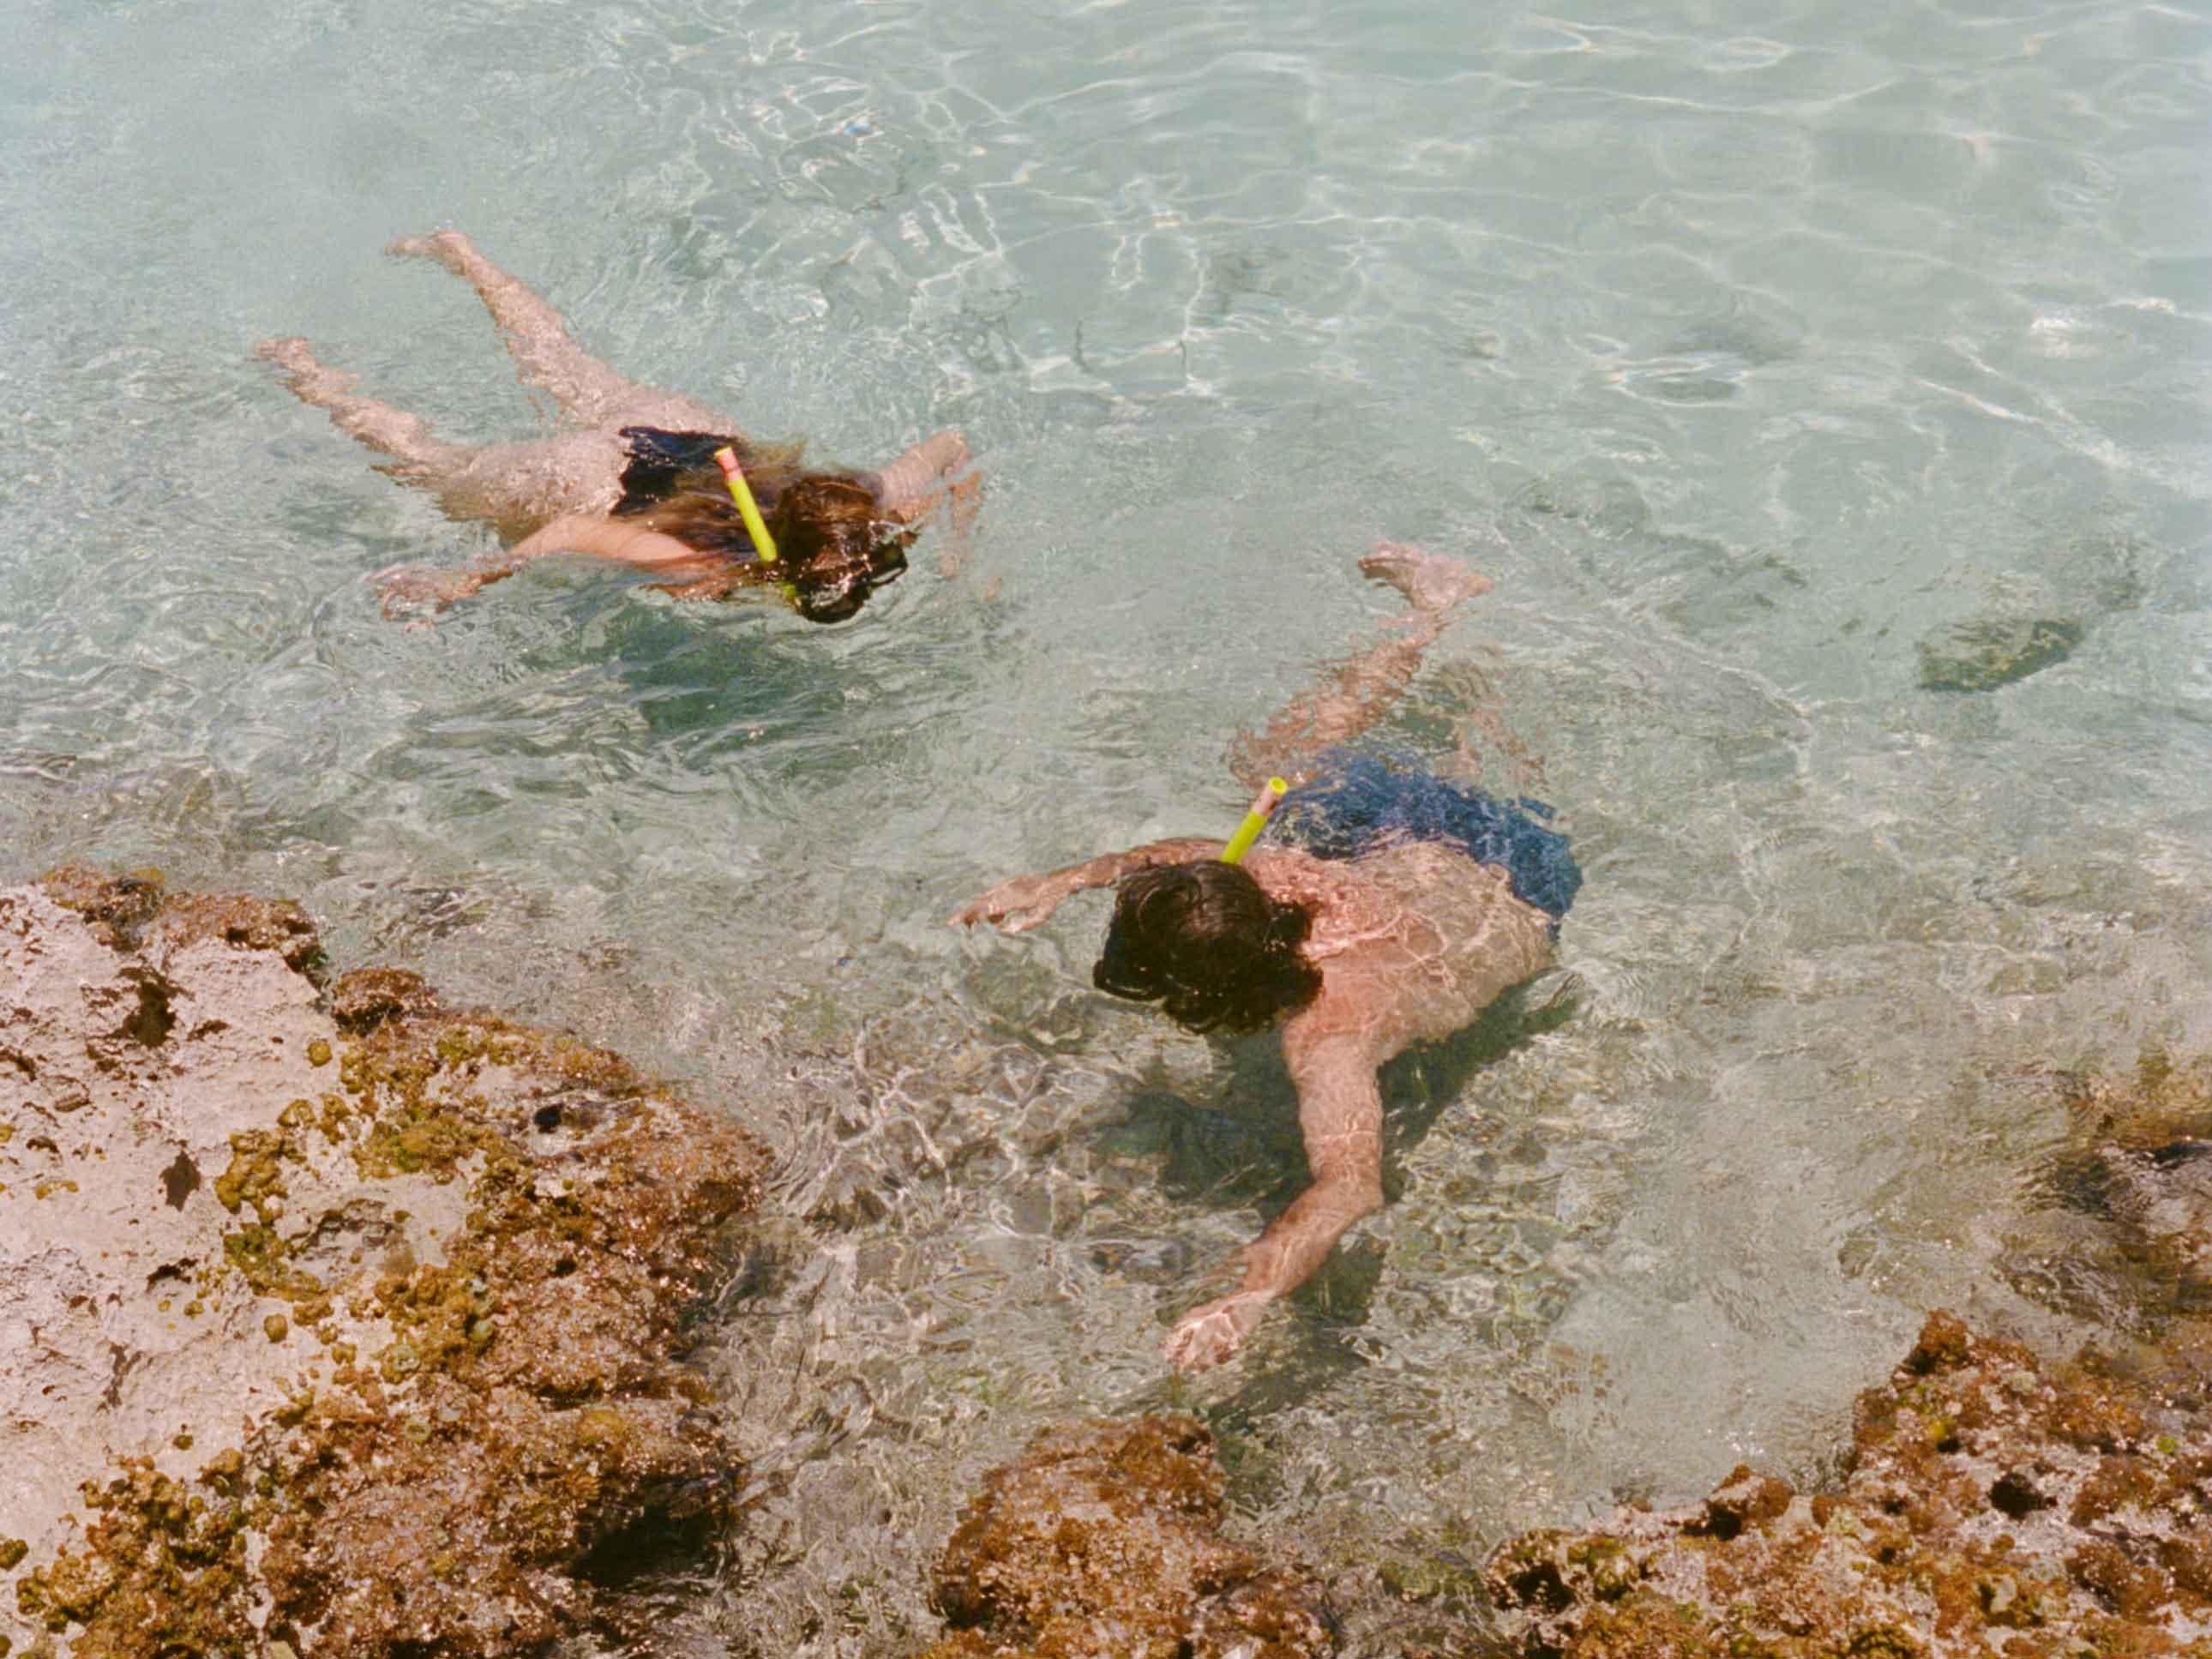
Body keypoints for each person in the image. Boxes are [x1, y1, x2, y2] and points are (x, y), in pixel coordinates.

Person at [953, 545, 1581, 1372]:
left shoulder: (1329, 1035)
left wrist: (1249, 1298)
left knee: (1478, 784)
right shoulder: (1276, 879)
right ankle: (1433, 615)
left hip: (1525, 875)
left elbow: (1351, 1185)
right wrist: (1064, 880)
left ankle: (1470, 692)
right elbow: (1191, 857)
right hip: (1421, 843)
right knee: (1273, 765)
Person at [258, 231, 976, 624]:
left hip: (689, 435)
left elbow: (954, 448)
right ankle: (302, 369)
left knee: (556, 359)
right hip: (592, 477)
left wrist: (965, 545)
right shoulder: (707, 561)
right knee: (425, 461)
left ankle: (465, 255)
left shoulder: (862, 497)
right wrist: (467, 580)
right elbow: (572, 533)